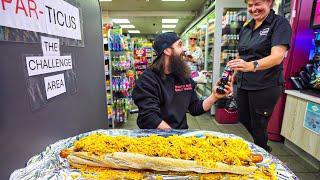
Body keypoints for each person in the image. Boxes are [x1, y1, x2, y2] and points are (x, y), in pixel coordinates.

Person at [227, 0, 291, 152]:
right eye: (250, 5)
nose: (253, 9)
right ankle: (261, 147)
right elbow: (240, 55)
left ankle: (263, 153)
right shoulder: (246, 27)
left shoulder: (279, 24)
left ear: (269, 2)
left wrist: (250, 66)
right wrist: (232, 77)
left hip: (265, 84)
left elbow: (277, 56)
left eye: (257, 4)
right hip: (244, 83)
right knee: (242, 117)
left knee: (259, 124)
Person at [132, 32, 232, 129]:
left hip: (179, 135)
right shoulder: (148, 80)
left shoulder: (183, 76)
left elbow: (194, 108)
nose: (184, 49)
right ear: (167, 51)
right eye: (180, 45)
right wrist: (174, 136)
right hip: (155, 139)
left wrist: (214, 97)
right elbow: (149, 117)